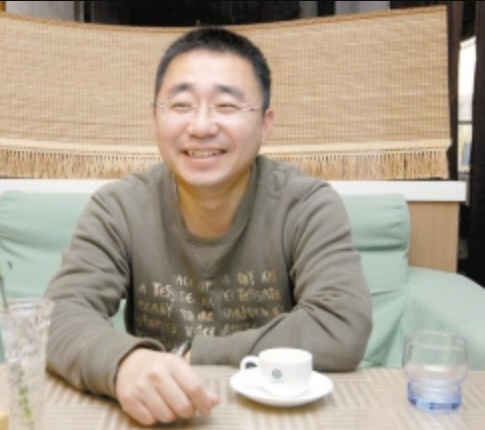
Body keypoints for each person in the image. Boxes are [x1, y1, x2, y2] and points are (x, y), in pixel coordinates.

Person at [44, 27, 372, 426]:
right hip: (162, 419)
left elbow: (340, 325)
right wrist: (125, 363)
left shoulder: (305, 205)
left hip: (275, 416)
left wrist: (195, 354)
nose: (201, 126)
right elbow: (58, 316)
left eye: (227, 106)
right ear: (155, 119)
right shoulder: (119, 208)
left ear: (266, 124)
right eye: (181, 105)